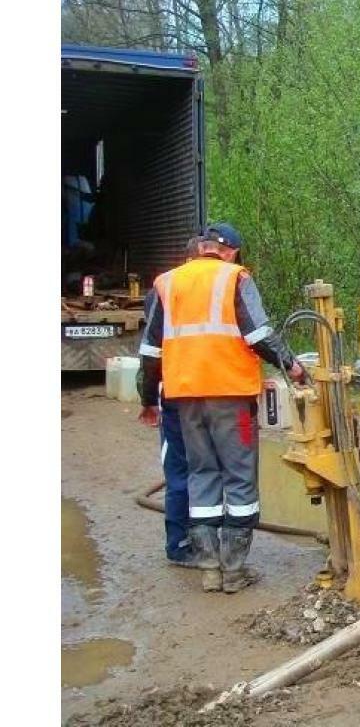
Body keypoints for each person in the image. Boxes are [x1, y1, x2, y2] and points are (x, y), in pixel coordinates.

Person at [137, 222, 306, 593]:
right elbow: (258, 335)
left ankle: (210, 568)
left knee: (202, 474)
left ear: (199, 249)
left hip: (185, 399)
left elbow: (151, 352)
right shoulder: (235, 279)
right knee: (240, 476)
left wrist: (149, 398)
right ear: (227, 251)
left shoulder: (167, 282)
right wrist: (292, 366)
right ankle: (234, 571)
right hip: (231, 397)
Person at [138, 236, 203, 568]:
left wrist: (148, 398)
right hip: (209, 394)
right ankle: (190, 543)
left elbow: (151, 351)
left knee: (181, 469)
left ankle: (183, 542)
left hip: (175, 393)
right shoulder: (218, 287)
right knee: (203, 471)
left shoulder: (162, 290)